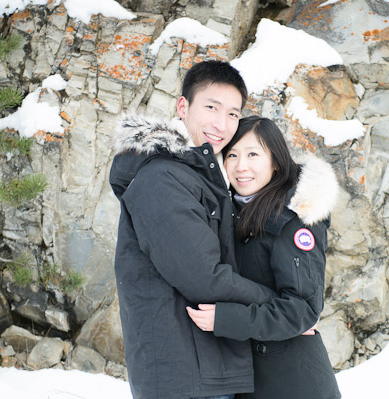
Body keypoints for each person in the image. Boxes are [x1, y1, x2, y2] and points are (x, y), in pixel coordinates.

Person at [109, 61, 277, 399]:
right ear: (183, 107)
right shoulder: (162, 179)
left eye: (233, 114)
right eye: (211, 107)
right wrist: (280, 306)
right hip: (184, 375)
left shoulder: (200, 176)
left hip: (205, 366)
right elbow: (204, 278)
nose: (222, 124)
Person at [187, 116, 342, 399]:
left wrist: (226, 319)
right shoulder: (235, 212)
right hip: (255, 380)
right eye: (232, 155)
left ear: (276, 161)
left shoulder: (294, 219)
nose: (241, 166)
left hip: (294, 383)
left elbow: (303, 309)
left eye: (253, 154)